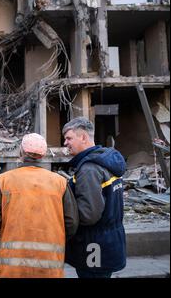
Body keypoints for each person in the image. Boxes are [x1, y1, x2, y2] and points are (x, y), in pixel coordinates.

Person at [0, 133, 79, 278]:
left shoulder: (4, 180)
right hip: (49, 267)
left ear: (21, 152)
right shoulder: (60, 182)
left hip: (13, 268)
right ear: (44, 154)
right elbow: (71, 223)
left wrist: (9, 228)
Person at [62, 117, 127, 278]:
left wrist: (63, 215)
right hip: (109, 241)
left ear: (83, 137)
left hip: (93, 246)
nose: (65, 143)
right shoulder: (106, 162)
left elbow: (88, 215)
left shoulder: (89, 169)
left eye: (69, 138)